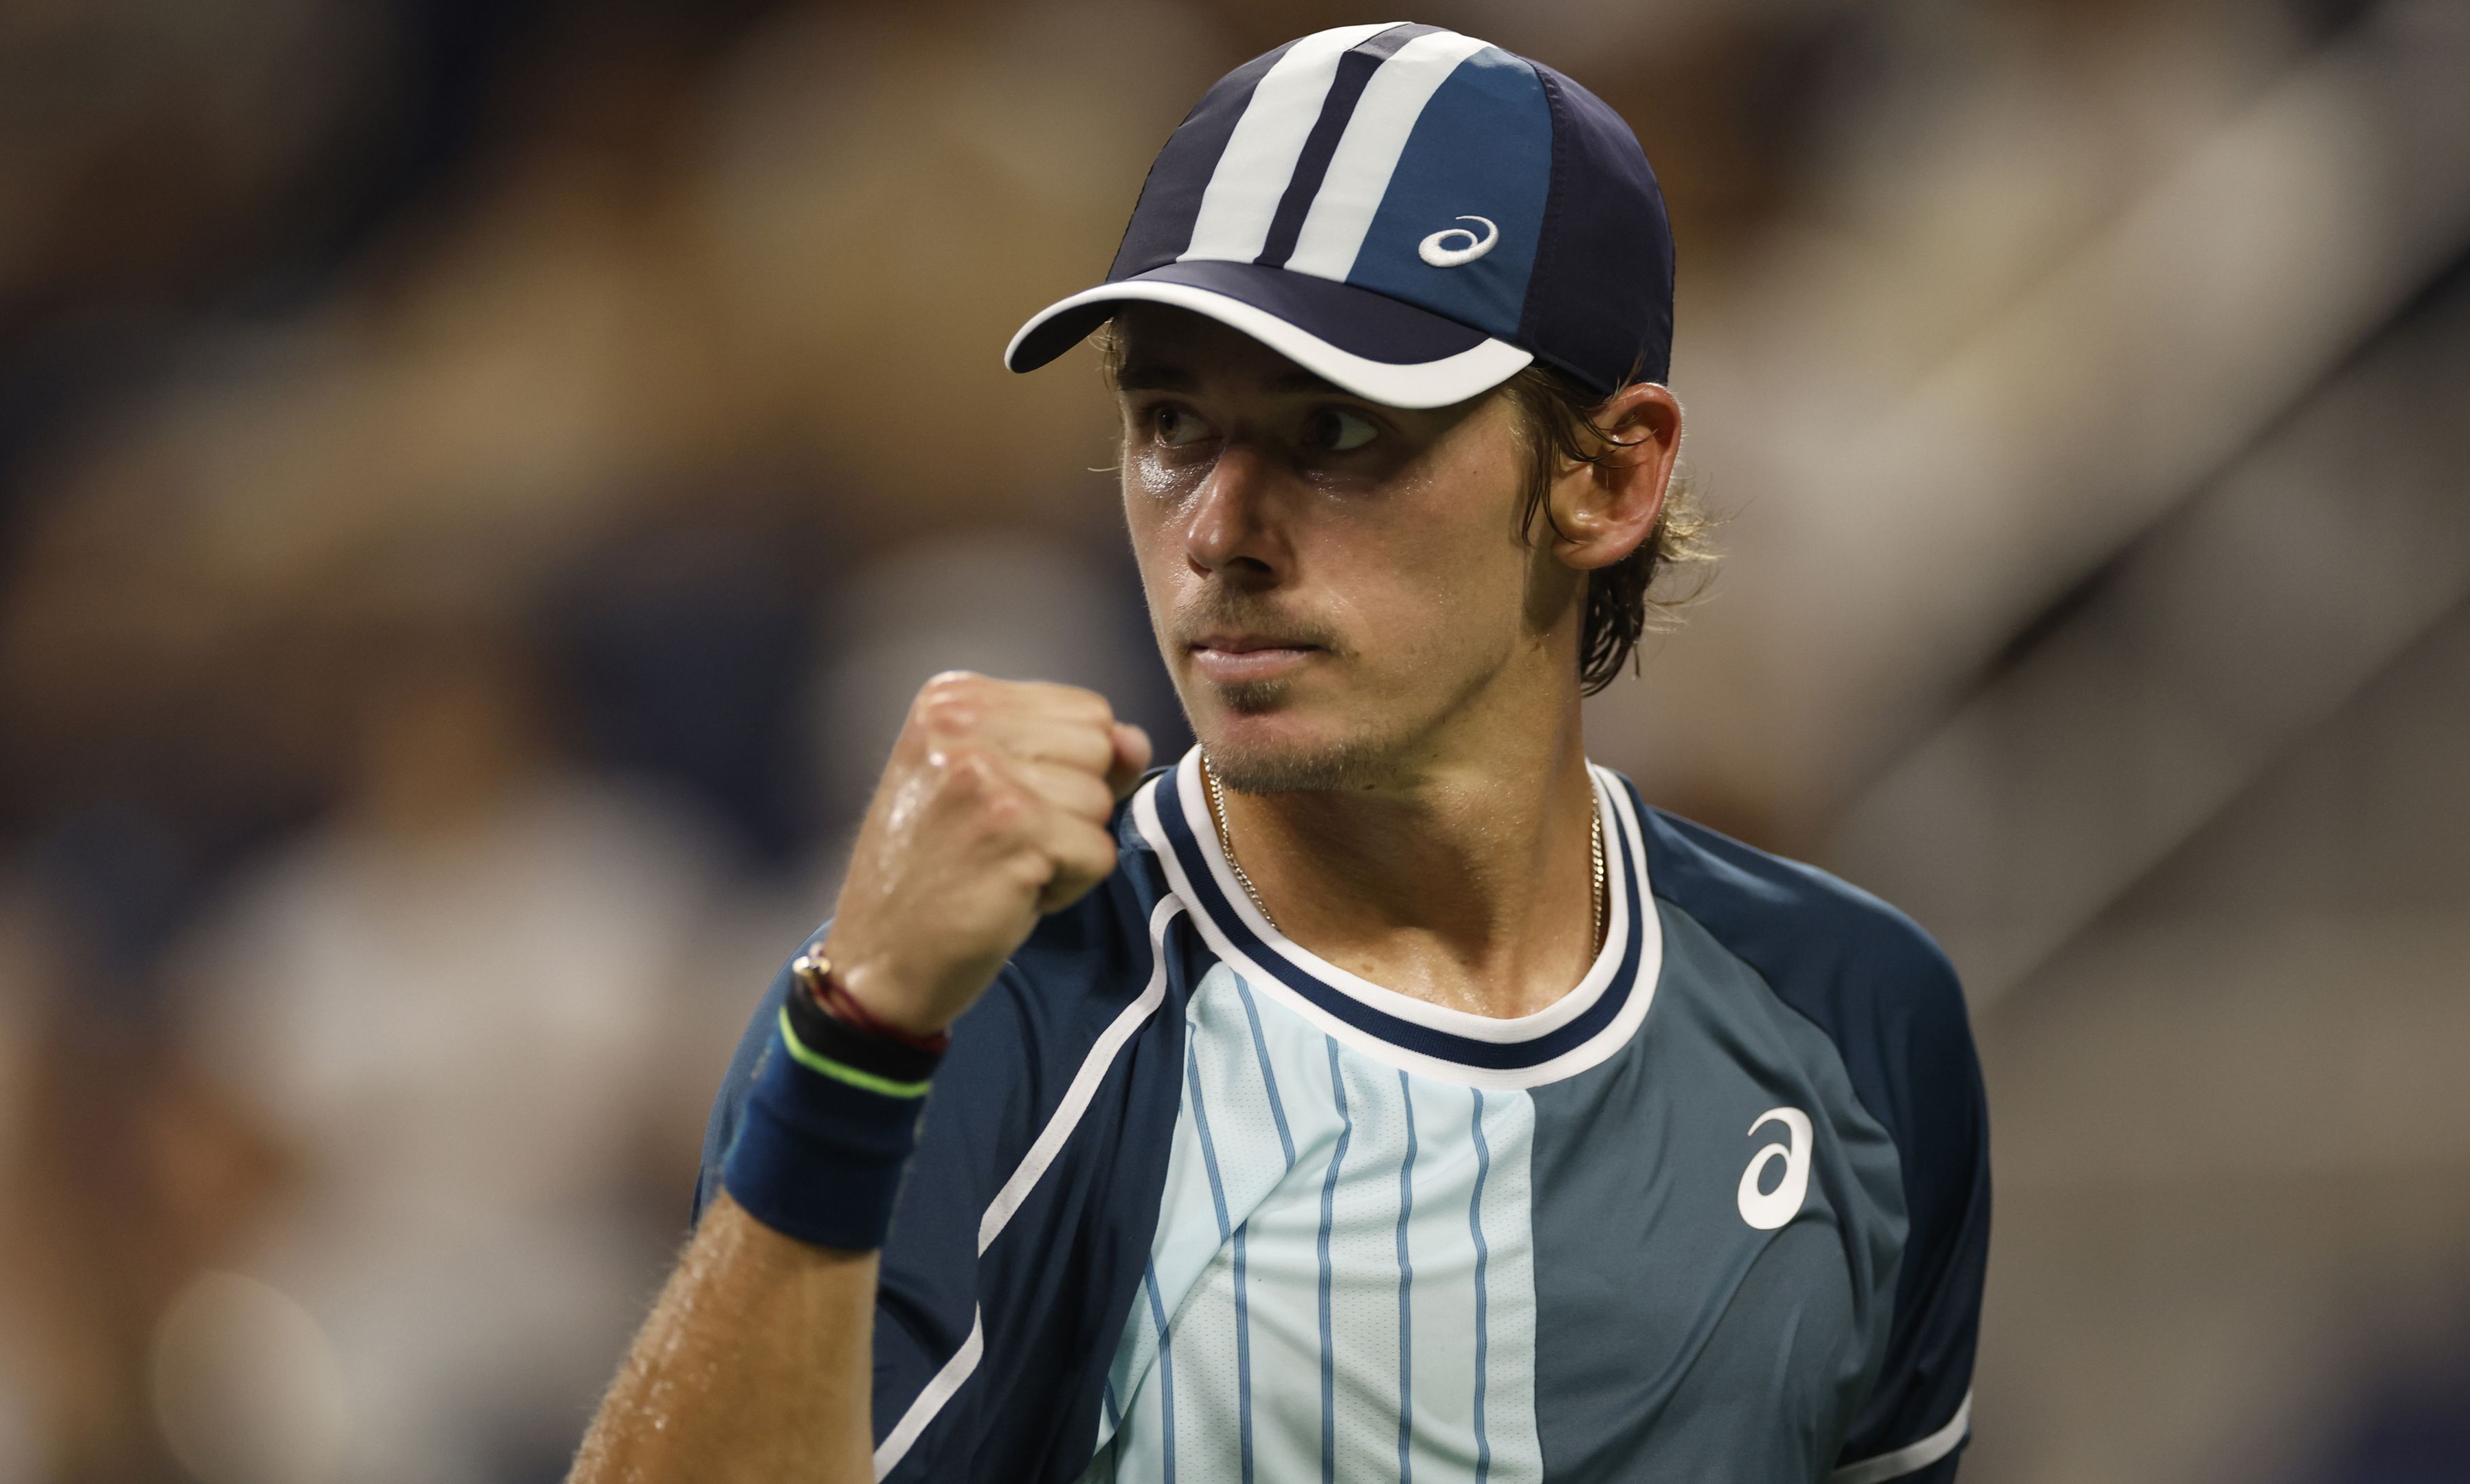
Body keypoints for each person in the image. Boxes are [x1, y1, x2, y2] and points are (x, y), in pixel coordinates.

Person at [571, 23, 1988, 1484]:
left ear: (1608, 475)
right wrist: (852, 1056)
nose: (1216, 533)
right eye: (1171, 422)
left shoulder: (1861, 1025)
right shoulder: (968, 1025)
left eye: (1336, 430)